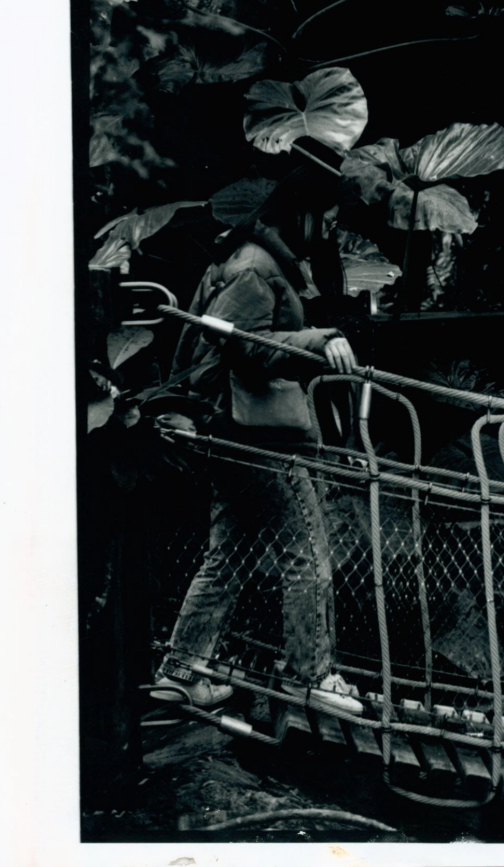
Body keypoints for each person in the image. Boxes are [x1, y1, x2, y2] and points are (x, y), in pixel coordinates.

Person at [153, 170, 363, 713]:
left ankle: (180, 672)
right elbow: (236, 343)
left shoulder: (259, 260)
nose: (332, 229)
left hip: (239, 429)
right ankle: (310, 675)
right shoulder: (254, 265)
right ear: (304, 212)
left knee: (230, 556)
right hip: (257, 434)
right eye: (329, 218)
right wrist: (320, 339)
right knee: (307, 552)